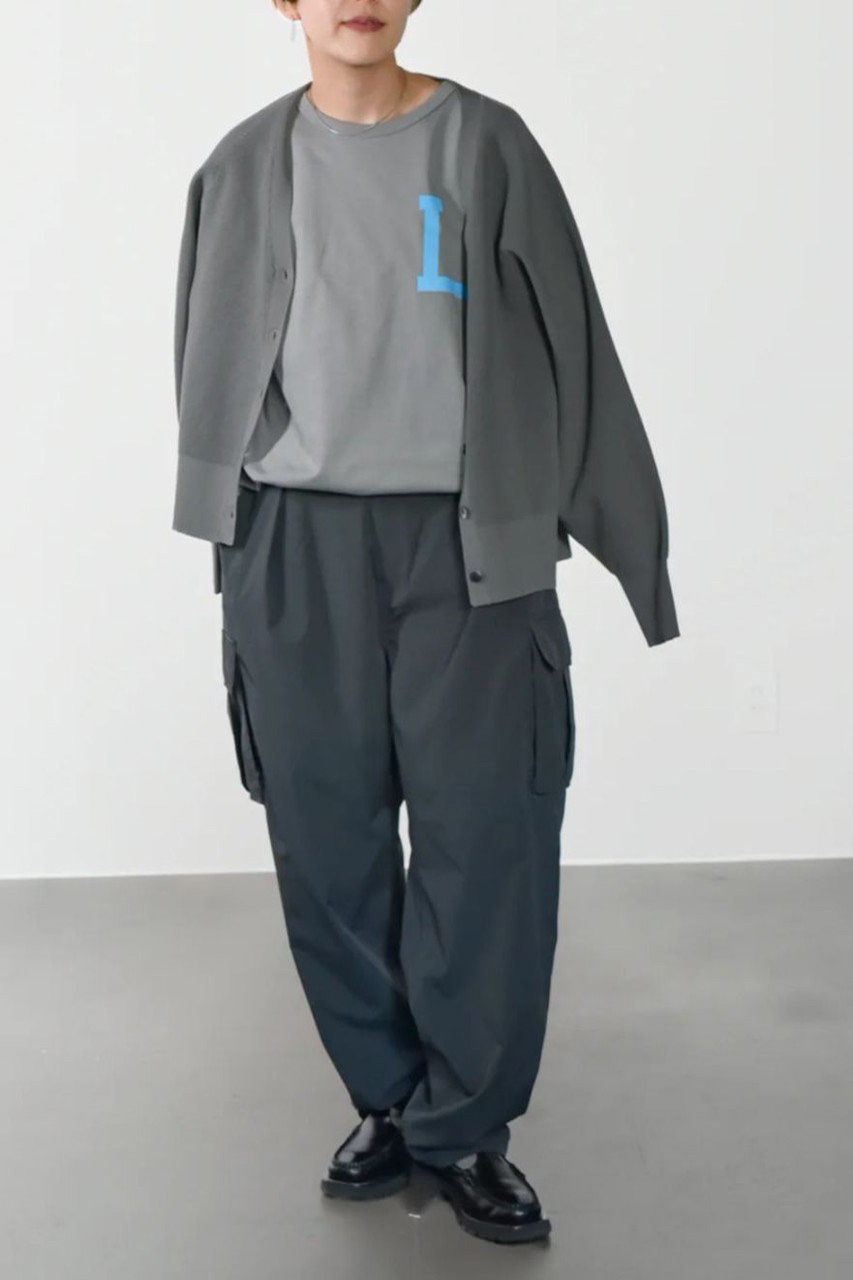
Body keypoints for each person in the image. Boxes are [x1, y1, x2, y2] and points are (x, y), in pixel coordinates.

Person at [171, 0, 680, 1247]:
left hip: (468, 546)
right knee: (325, 841)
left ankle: (466, 1124)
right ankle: (391, 1098)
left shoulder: (487, 143)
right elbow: (206, 351)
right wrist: (227, 528)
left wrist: (631, 537)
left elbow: (575, 340)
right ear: (284, 3)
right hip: (297, 549)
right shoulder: (239, 165)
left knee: (486, 837)